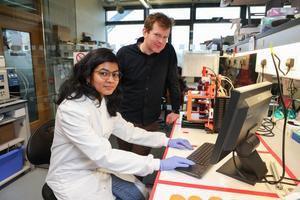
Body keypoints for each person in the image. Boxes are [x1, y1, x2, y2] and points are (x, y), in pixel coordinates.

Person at [45, 48, 195, 200]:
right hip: (72, 177)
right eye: (103, 73)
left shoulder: (102, 100)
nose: (111, 80)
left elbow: (129, 132)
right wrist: (158, 164)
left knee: (140, 194)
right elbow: (103, 155)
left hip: (96, 167)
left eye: (115, 74)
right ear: (88, 75)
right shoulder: (72, 109)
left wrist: (166, 140)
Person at [116, 12, 181, 157]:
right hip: (125, 120)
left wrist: (175, 109)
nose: (161, 41)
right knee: (123, 163)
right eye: (157, 35)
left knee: (139, 165)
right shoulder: (125, 54)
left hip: (149, 121)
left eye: (165, 37)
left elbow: (173, 81)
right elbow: (113, 86)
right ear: (145, 32)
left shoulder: (168, 52)